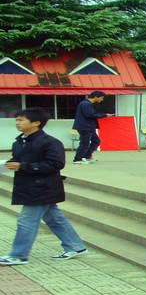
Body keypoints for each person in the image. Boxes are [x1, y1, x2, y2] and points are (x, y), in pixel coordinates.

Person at [0, 109, 87, 265]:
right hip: (28, 187)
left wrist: (23, 166)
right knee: (54, 219)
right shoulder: (19, 142)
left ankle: (18, 255)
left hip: (43, 188)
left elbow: (56, 164)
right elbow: (18, 161)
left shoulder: (50, 142)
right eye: (16, 120)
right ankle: (75, 247)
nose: (17, 123)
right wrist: (9, 164)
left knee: (26, 221)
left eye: (21, 120)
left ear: (36, 123)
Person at [72, 91, 112, 164]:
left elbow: (91, 114)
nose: (102, 100)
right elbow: (90, 115)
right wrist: (104, 115)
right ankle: (77, 159)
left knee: (96, 141)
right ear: (96, 97)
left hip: (89, 127)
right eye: (101, 98)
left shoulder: (88, 104)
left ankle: (87, 156)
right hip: (84, 127)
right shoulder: (85, 104)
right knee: (84, 143)